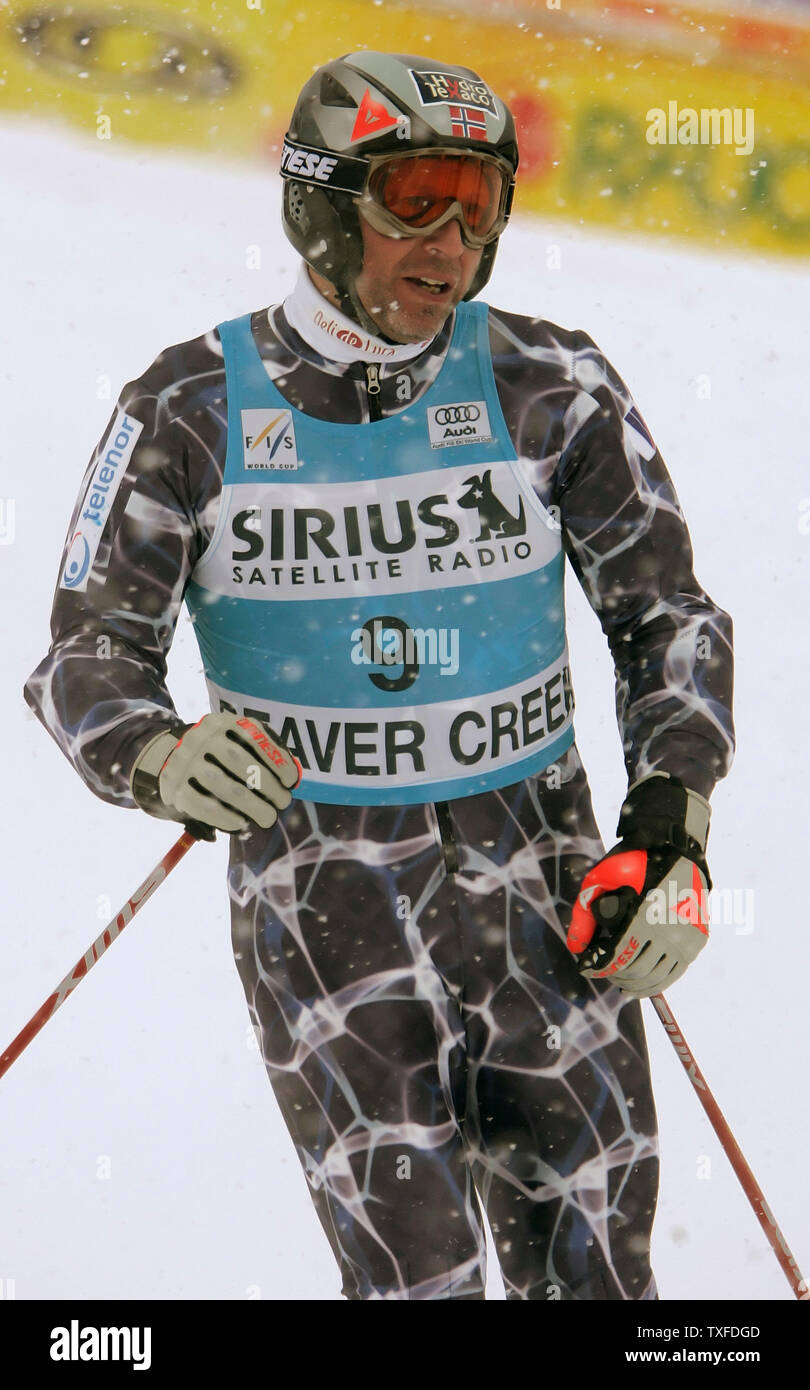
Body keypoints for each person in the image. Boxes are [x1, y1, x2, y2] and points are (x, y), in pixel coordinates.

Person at [24, 50, 734, 1301]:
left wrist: (671, 827)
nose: (453, 242)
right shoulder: (189, 406)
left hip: (550, 887)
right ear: (319, 200)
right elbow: (85, 654)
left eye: (482, 203)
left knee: (601, 1282)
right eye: (416, 199)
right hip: (330, 905)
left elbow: (666, 615)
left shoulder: (551, 385)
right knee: (421, 1288)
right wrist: (156, 751)